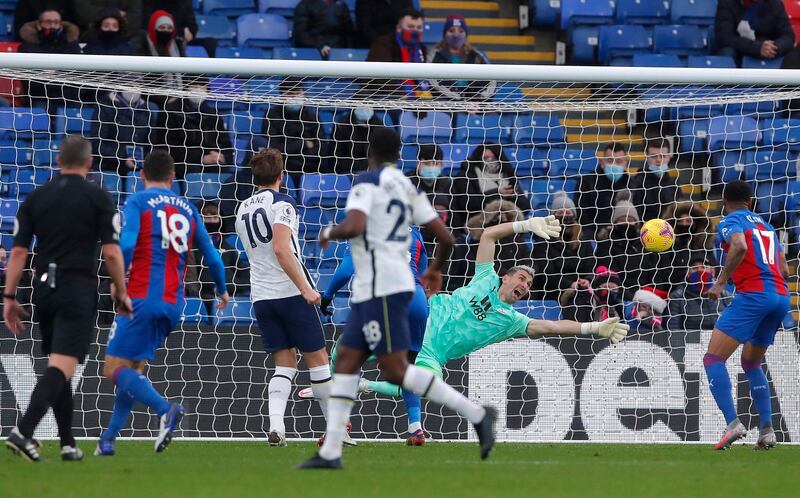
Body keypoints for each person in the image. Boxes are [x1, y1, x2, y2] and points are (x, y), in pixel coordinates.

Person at [299, 128, 495, 470]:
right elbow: (447, 239)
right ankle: (331, 451)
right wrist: (434, 270)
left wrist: (330, 231)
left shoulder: (366, 181)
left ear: (369, 151)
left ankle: (477, 415)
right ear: (399, 152)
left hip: (381, 289)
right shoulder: (408, 188)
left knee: (394, 369)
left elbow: (355, 225)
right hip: (395, 287)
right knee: (347, 360)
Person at [406, 216, 627, 441]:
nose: (524, 285)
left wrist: (593, 327)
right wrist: (526, 225)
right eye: (521, 278)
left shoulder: (513, 321)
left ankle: (369, 386)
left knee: (425, 385)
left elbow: (553, 326)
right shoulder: (484, 277)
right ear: (505, 278)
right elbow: (488, 235)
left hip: (432, 353)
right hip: (420, 316)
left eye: (529, 284)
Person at [4, 136, 132, 462]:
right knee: (62, 364)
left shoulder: (37, 197)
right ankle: (24, 431)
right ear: (89, 163)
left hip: (43, 289)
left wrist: (9, 296)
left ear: (58, 161)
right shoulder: (98, 197)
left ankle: (67, 443)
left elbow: (18, 252)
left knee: (61, 364)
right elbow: (112, 253)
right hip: (77, 288)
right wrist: (120, 289)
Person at [94, 150, 230, 456]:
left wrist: (119, 284)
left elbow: (126, 244)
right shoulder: (189, 208)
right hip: (174, 304)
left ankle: (165, 409)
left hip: (141, 297)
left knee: (113, 368)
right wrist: (221, 290)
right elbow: (212, 256)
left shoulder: (138, 201)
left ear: (142, 176)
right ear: (172, 178)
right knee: (133, 369)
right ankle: (108, 440)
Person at [234, 148, 331, 447]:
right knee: (319, 362)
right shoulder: (283, 203)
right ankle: (337, 430)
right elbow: (280, 247)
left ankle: (277, 427)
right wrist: (306, 288)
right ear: (281, 175)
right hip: (289, 292)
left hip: (261, 297)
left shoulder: (241, 209)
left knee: (284, 364)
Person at [315, 226, 430, 445]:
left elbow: (346, 271)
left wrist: (327, 296)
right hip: (416, 301)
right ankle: (416, 428)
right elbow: (423, 272)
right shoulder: (414, 231)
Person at [703, 180, 790, 450]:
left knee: (712, 358)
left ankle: (733, 423)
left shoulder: (730, 220)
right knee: (751, 363)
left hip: (754, 295)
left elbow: (738, 246)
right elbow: (786, 271)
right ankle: (767, 430)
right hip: (781, 297)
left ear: (724, 202)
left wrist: (720, 282)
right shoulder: (767, 227)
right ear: (751, 201)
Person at [160, 77, 234, 179]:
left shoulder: (213, 114)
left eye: (202, 86)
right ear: (186, 88)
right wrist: (201, 158)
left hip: (212, 162)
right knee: (192, 169)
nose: (198, 89)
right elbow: (167, 147)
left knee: (222, 169)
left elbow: (225, 145)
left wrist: (221, 157)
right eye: (194, 86)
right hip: (183, 163)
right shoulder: (171, 112)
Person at [595, 191, 663, 298]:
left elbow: (655, 276)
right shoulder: (606, 245)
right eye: (622, 220)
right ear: (615, 224)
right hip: (618, 297)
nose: (626, 223)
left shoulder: (646, 245)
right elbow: (610, 276)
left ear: (636, 223)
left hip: (646, 298)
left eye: (630, 220)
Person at [531, 191, 595, 301]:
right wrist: (569, 284)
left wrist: (587, 280)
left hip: (581, 289)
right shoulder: (543, 240)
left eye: (568, 212)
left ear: (574, 216)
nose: (564, 216)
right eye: (559, 213)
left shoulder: (583, 240)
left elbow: (591, 266)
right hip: (552, 293)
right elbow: (545, 274)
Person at [451, 143, 531, 230]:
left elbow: (526, 207)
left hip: (508, 225)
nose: (490, 161)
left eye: (494, 158)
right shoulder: (467, 175)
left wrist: (514, 197)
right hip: (479, 227)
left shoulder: (508, 175)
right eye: (486, 158)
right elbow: (466, 204)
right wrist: (498, 193)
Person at [263, 77, 322, 187]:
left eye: (298, 93)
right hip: (283, 169)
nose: (294, 97)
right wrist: (302, 143)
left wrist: (291, 148)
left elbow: (320, 149)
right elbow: (273, 149)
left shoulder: (312, 115)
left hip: (310, 168)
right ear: (281, 96)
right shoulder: (271, 115)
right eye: (290, 94)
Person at [427, 14, 496, 102]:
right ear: (445, 34)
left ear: (466, 34)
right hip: (446, 104)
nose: (456, 35)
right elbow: (431, 81)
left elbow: (492, 80)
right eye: (451, 31)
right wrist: (461, 101)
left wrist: (478, 100)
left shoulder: (475, 55)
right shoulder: (434, 55)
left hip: (476, 105)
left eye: (461, 31)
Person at [364, 9, 429, 99]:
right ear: (398, 28)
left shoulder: (422, 49)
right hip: (385, 98)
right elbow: (375, 79)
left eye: (419, 28)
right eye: (410, 26)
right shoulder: (384, 44)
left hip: (415, 100)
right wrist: (401, 93)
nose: (415, 31)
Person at [715, 0, 800, 68]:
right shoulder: (727, 3)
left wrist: (774, 47)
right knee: (727, 52)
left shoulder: (776, 4)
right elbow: (724, 37)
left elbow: (788, 36)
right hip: (741, 51)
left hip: (770, 52)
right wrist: (757, 48)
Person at [575, 143, 634, 236]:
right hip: (593, 233)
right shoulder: (587, 182)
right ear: (602, 163)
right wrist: (600, 231)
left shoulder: (631, 183)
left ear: (626, 163)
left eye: (619, 161)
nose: (614, 165)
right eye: (610, 161)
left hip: (623, 232)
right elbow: (581, 214)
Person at [94, 86, 152, 177]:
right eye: (130, 84)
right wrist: (123, 158)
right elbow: (98, 144)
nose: (133, 88)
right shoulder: (105, 106)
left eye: (137, 83)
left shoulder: (146, 110)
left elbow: (151, 143)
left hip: (140, 168)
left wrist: (143, 158)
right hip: (111, 167)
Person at [667, 255, 731, 331]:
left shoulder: (725, 296)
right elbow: (673, 329)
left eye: (703, 267)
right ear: (688, 273)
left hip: (720, 339)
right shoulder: (677, 297)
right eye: (694, 268)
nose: (699, 270)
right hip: (690, 340)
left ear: (712, 272)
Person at [631, 139, 683, 223]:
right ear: (647, 157)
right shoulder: (637, 183)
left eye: (662, 156)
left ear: (669, 157)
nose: (658, 160)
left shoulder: (674, 186)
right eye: (654, 156)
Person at [406, 144, 453, 235]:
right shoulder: (407, 182)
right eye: (427, 163)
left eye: (436, 163)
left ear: (442, 164)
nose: (431, 167)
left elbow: (454, 217)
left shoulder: (447, 183)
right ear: (418, 163)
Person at [560, 266, 625, 323]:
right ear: (596, 288)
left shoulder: (618, 308)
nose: (610, 291)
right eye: (606, 287)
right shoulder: (581, 302)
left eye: (613, 288)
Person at [332, 106, 384, 175]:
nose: (365, 107)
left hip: (372, 169)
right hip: (348, 171)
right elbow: (335, 158)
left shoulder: (378, 124)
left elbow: (382, 154)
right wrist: (360, 166)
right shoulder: (342, 125)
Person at [143, 10, 184, 95]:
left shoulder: (177, 46)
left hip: (178, 95)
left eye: (169, 28)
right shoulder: (143, 47)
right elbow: (145, 81)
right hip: (154, 96)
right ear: (153, 28)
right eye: (162, 28)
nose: (166, 31)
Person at [73, 1, 142, 39]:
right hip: (88, 35)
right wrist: (116, 13)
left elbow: (135, 17)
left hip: (128, 38)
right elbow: (83, 12)